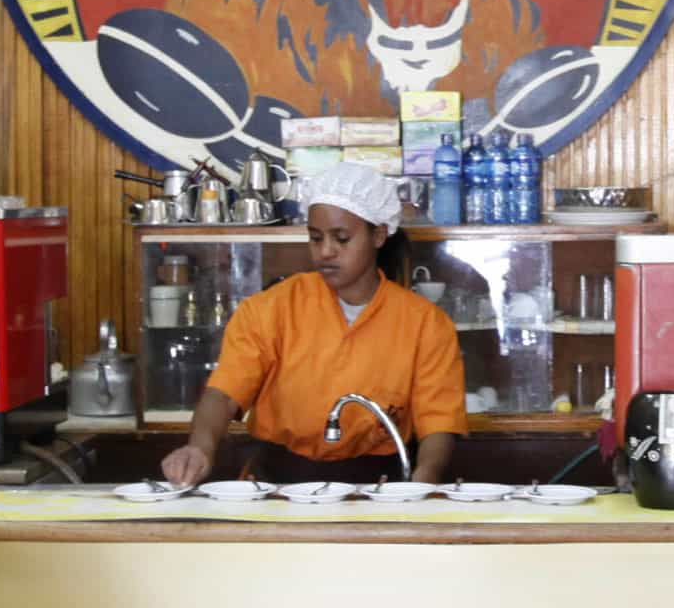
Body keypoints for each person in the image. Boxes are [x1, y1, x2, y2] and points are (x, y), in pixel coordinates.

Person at [161, 162, 464, 486]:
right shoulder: (271, 308)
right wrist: (199, 448)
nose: (325, 252)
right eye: (315, 238)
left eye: (342, 238)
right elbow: (223, 394)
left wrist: (424, 478)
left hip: (379, 487)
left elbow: (438, 423)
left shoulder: (425, 323)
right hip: (278, 484)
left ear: (378, 235)